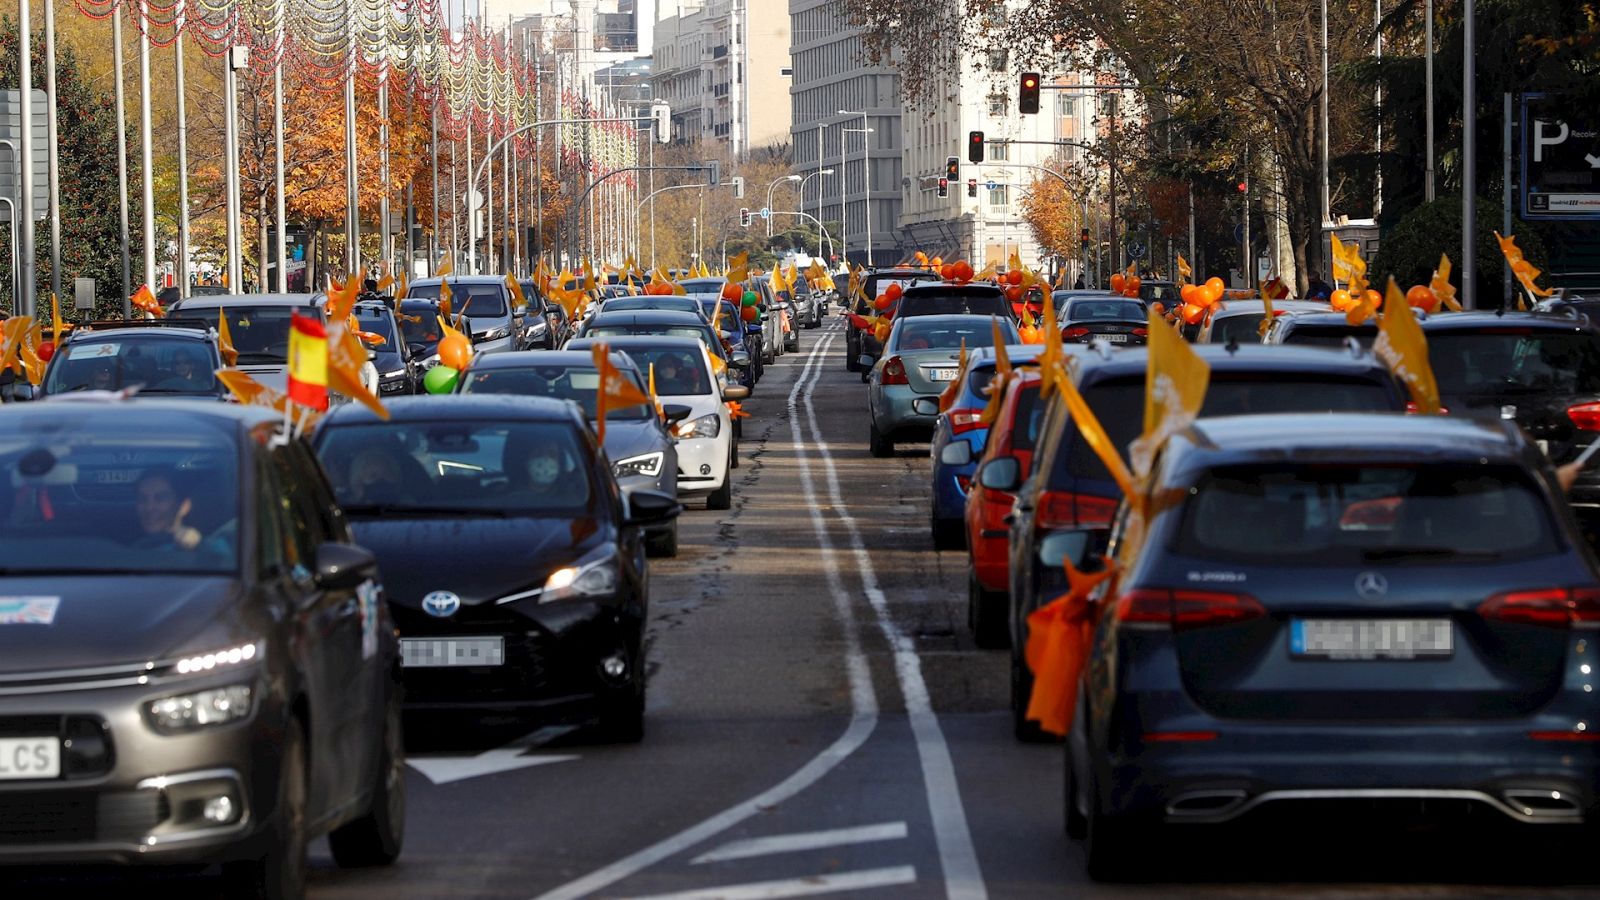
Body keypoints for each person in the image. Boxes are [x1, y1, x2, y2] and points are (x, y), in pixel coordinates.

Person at [132, 469, 229, 560]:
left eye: (160, 498)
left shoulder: (211, 545)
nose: (149, 507)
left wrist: (199, 545)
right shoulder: (128, 549)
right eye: (143, 499)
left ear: (184, 506)